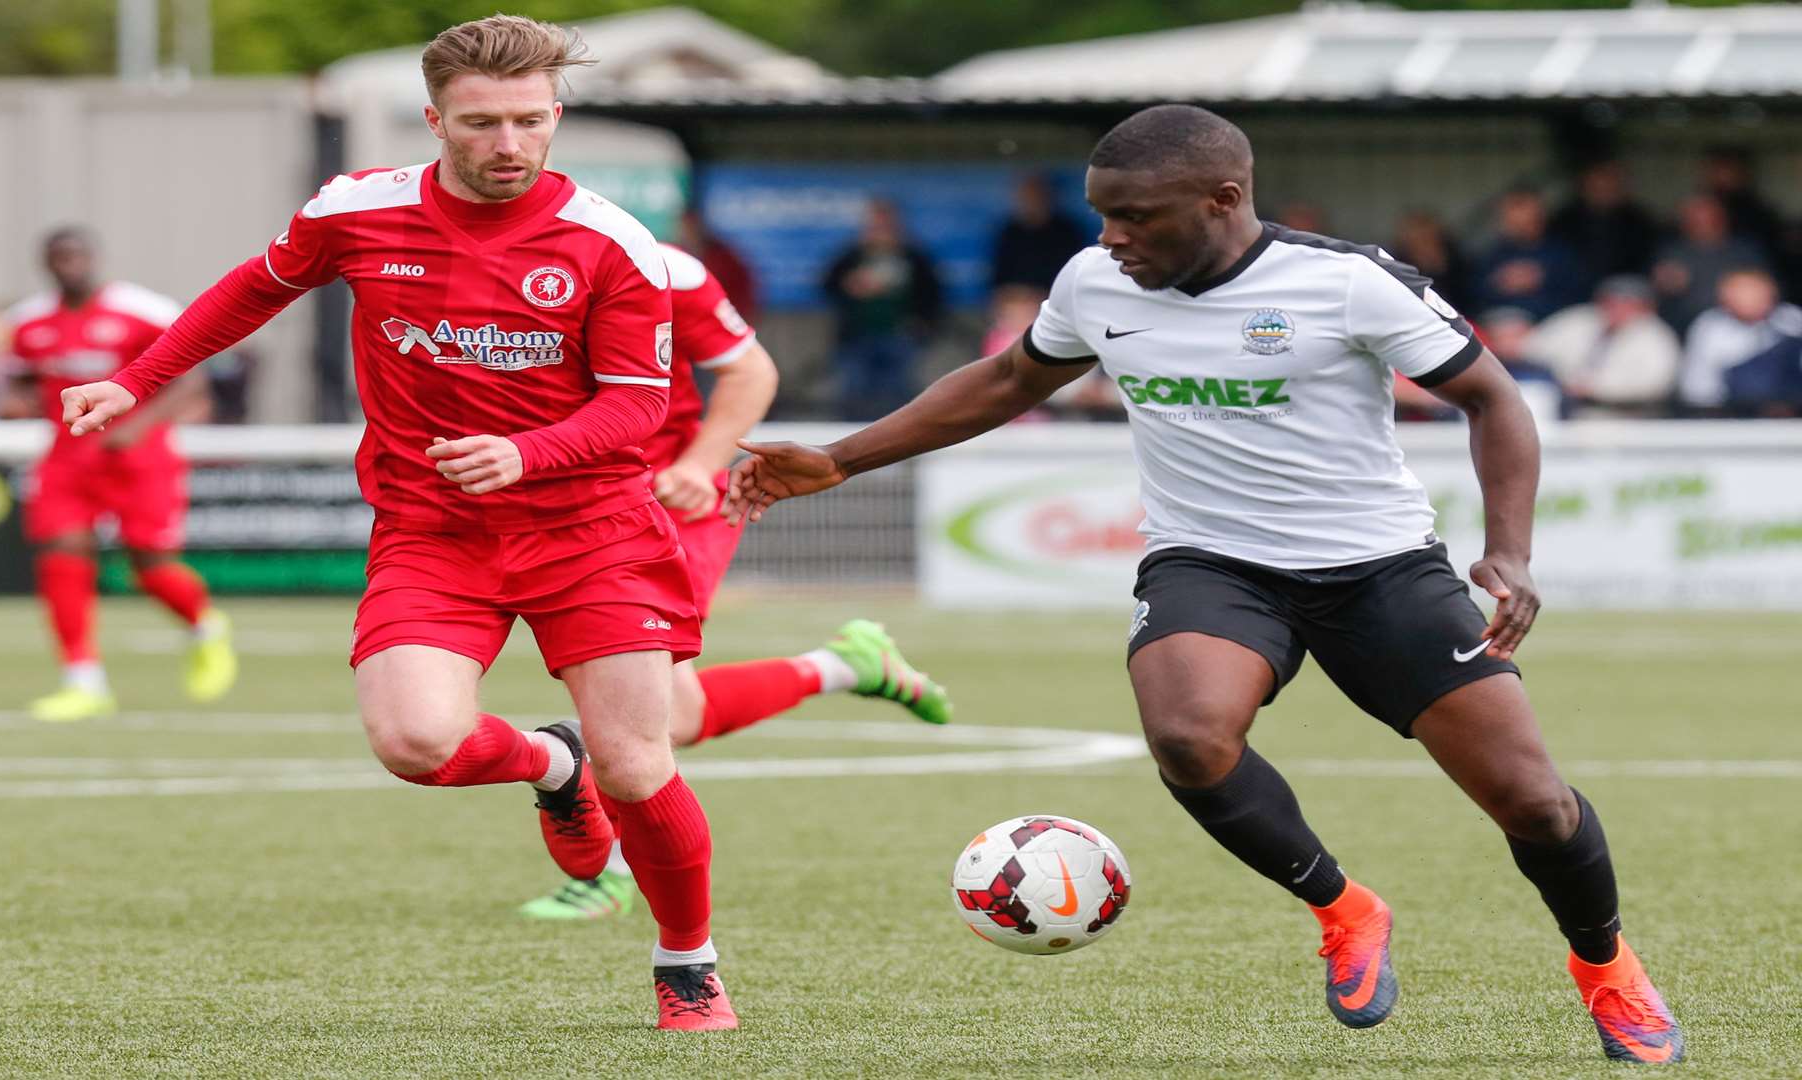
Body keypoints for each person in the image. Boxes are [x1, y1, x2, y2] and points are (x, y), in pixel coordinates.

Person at [728, 105, 1683, 1066]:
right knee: (1188, 737)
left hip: (1378, 567)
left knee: (1533, 804)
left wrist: (1510, 552)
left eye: (1136, 217)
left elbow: (1493, 398)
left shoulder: (1346, 284)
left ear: (1223, 201)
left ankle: (1604, 966)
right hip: (1212, 563)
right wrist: (841, 459)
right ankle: (1345, 908)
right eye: (1104, 216)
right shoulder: (1096, 281)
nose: (1112, 238)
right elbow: (1007, 380)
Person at [56, 16, 735, 1031]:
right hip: (435, 528)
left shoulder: (612, 245)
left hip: (590, 527)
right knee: (416, 741)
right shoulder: (358, 210)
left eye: (530, 121)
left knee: (639, 763)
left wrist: (527, 451)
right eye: (482, 124)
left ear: (558, 114)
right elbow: (255, 288)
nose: (509, 144)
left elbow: (637, 405)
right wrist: (135, 382)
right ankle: (553, 765)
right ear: (434, 121)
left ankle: (688, 963)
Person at [516, 244, 952, 921]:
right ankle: (844, 665)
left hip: (667, 503)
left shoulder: (654, 265)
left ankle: (610, 869)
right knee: (668, 713)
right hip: (563, 508)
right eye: (486, 127)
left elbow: (748, 368)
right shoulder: (453, 264)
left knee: (633, 718)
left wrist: (700, 462)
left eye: (526, 127)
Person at [5, 227, 236, 722]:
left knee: (149, 565)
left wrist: (140, 427)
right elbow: (25, 380)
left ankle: (204, 626)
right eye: (58, 256)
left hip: (138, 456)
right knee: (61, 553)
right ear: (46, 263)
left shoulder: (140, 310)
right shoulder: (28, 322)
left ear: (94, 258)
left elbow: (190, 376)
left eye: (76, 254)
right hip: (68, 458)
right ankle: (83, 680)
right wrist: (17, 404)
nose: (69, 264)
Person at [821, 199, 943, 421]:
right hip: (857, 336)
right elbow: (827, 285)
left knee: (897, 393)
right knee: (855, 391)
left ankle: (897, 442)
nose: (880, 231)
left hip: (901, 336)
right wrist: (849, 285)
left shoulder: (914, 256)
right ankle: (851, 443)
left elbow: (933, 293)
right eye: (875, 224)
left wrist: (922, 323)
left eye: (885, 224)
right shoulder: (852, 255)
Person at [1525, 276, 1679, 417]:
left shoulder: (1656, 335)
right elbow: (1532, 348)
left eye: (1627, 304)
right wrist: (1559, 381)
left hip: (1627, 415)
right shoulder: (1580, 318)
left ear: (1646, 308)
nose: (1618, 309)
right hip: (1565, 408)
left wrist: (1595, 389)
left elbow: (1654, 385)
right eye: (1611, 303)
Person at [1677, 268, 1802, 414]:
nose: (1750, 298)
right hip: (1732, 414)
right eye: (1741, 292)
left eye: (1756, 291)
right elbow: (1697, 387)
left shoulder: (1792, 320)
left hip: (1792, 413)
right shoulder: (1710, 326)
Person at [1652, 193, 1768, 336]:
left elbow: (1768, 288)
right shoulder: (1672, 251)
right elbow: (1653, 291)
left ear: (1722, 219)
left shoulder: (1744, 250)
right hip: (1683, 326)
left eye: (1709, 219)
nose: (1703, 224)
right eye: (1695, 220)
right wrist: (1666, 283)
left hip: (1739, 325)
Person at [1471, 188, 1586, 320]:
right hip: (1505, 328)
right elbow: (1475, 298)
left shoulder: (1562, 251)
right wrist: (1499, 284)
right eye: (1508, 215)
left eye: (1522, 212)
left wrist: (1542, 278)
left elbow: (1579, 294)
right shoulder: (1492, 256)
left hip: (1555, 323)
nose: (1515, 221)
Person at [1548, 160, 1659, 283]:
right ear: (1584, 188)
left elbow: (1648, 261)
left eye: (1609, 186)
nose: (1603, 192)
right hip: (1574, 287)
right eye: (1596, 187)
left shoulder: (1640, 221)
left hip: (1624, 287)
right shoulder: (1564, 220)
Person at [990, 173, 1089, 293]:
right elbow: (1000, 277)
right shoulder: (1010, 232)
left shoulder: (1066, 232)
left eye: (1036, 195)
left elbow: (1073, 274)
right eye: (1026, 196)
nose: (1031, 201)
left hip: (1055, 297)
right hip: (1017, 299)